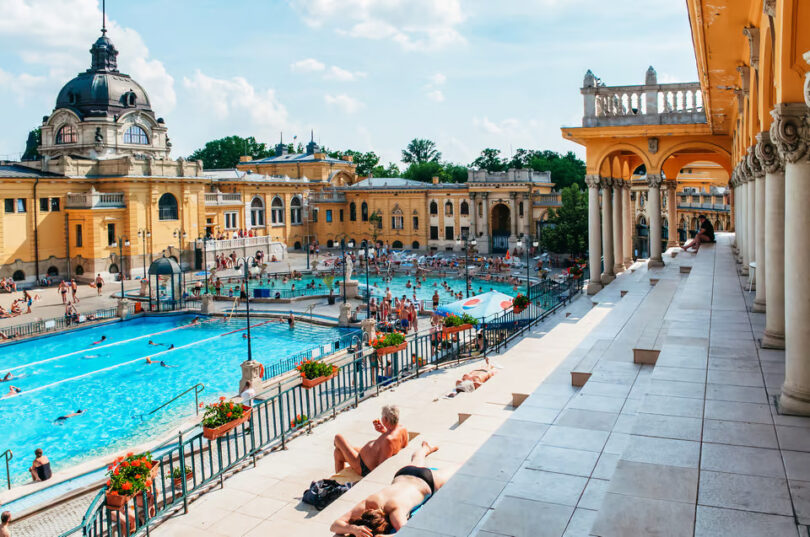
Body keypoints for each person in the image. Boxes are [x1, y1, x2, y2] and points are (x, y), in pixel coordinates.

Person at [330, 442, 449, 535]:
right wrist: (354, 529)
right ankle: (425, 449)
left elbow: (407, 534)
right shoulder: (368, 503)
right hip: (404, 474)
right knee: (417, 459)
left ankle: (425, 449)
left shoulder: (395, 513)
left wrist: (381, 536)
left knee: (457, 470)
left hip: (426, 481)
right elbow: (334, 525)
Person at [333, 405, 408, 478]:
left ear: (385, 419)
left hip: (362, 466)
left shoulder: (388, 440)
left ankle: (339, 482)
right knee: (338, 453)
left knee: (338, 438)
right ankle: (339, 482)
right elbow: (398, 444)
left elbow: (381, 467)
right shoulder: (402, 429)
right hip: (365, 458)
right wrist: (384, 432)